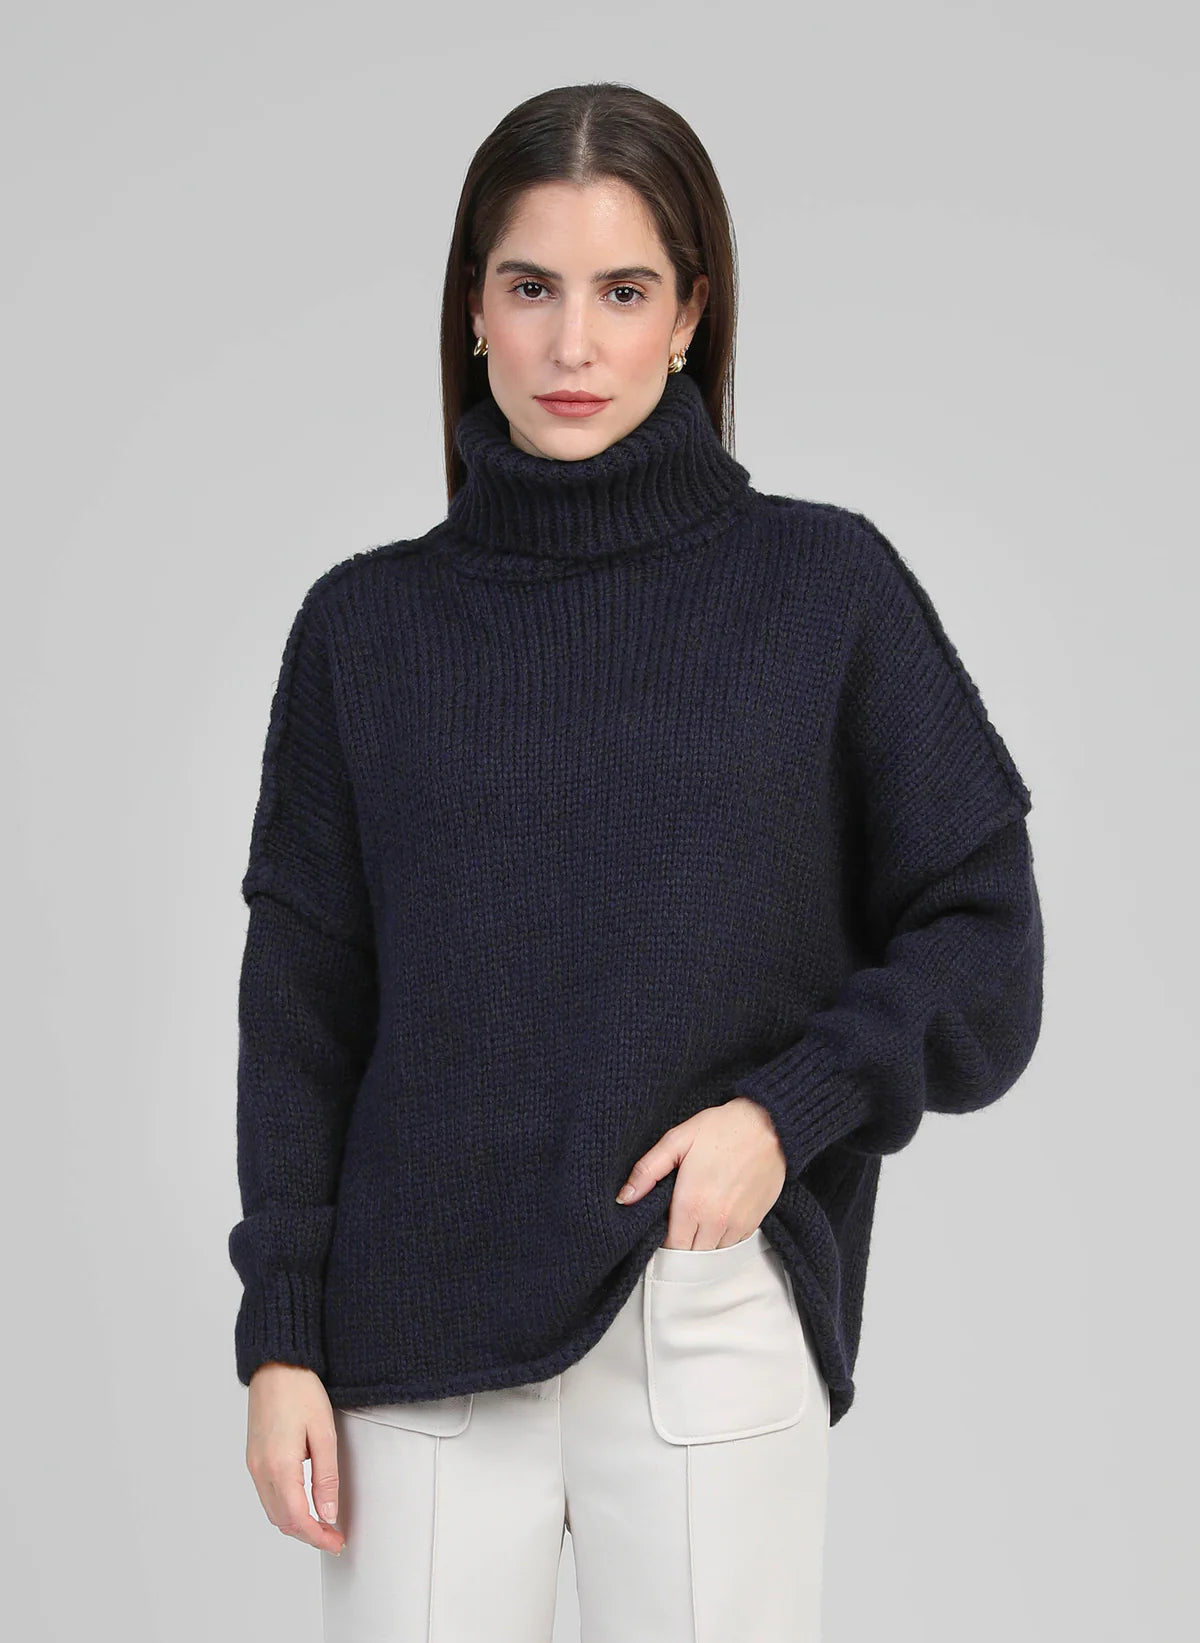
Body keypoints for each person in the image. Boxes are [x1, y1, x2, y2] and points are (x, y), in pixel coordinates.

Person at [228, 82, 1044, 1643]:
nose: (573, 343)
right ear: (474, 310)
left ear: (689, 318)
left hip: (701, 1315)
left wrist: (783, 1116)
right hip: (414, 1340)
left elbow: (984, 940)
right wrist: (281, 1336)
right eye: (531, 287)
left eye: (623, 291)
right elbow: (302, 1015)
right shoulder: (362, 631)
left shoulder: (825, 590)